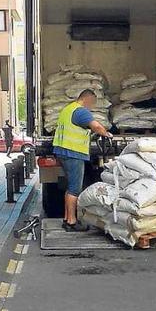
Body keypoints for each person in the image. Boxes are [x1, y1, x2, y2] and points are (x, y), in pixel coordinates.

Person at [53, 89, 113, 232]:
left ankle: (67, 219)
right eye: (92, 103)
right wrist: (107, 134)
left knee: (70, 187)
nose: (92, 106)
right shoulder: (81, 111)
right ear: (88, 99)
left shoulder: (68, 109)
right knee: (75, 188)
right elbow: (96, 126)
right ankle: (72, 222)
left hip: (62, 152)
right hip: (73, 153)